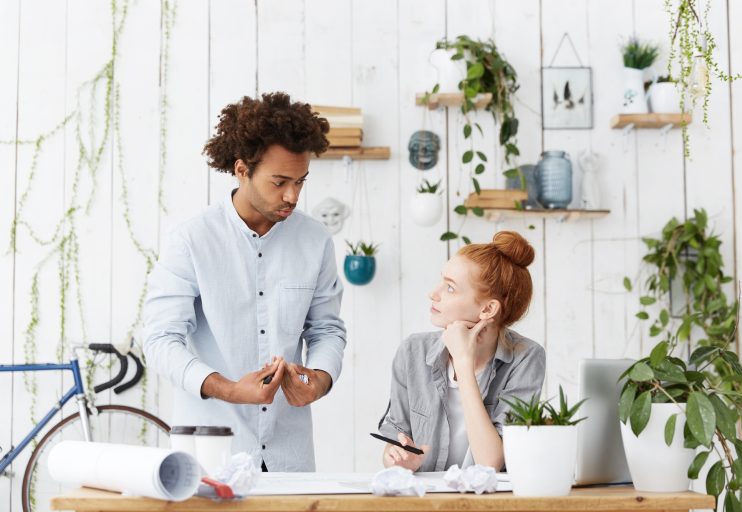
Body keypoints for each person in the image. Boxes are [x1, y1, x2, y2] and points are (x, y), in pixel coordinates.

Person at [143, 92, 346, 472]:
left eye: (300, 182)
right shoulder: (192, 240)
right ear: (241, 169)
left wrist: (318, 379)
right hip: (209, 454)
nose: (292, 196)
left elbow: (327, 329)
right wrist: (228, 388)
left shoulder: (315, 241)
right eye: (280, 181)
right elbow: (159, 340)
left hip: (290, 457)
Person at [378, 231, 545, 471]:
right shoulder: (412, 351)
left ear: (488, 309)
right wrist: (398, 458)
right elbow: (394, 436)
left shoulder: (526, 358)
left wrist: (463, 362)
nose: (433, 294)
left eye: (450, 288)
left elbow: (491, 462)